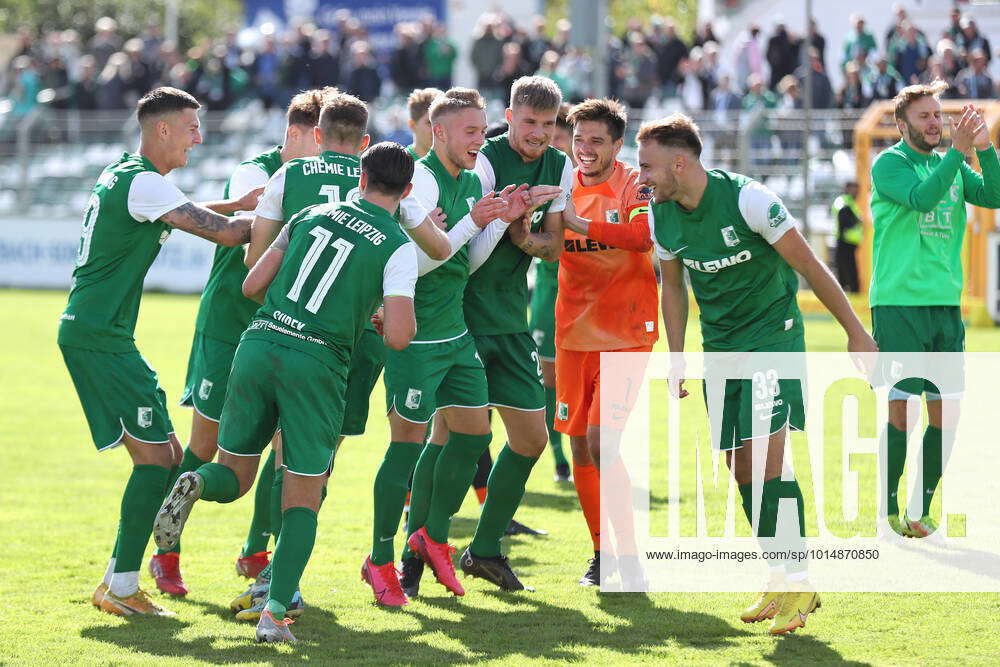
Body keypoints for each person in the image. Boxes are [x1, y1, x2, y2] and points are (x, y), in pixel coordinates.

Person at [154, 142, 420, 643]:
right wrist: (373, 311)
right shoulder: (398, 245)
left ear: (361, 178)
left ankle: (195, 482)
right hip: (317, 363)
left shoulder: (309, 213)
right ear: (406, 192)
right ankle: (275, 616)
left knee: (232, 476)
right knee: (303, 497)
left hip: (259, 344)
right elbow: (400, 337)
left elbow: (252, 285)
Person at [639, 112, 877, 634]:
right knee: (739, 466)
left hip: (774, 337)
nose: (642, 177)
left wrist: (856, 333)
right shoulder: (660, 215)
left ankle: (800, 580)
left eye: (649, 167)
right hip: (720, 350)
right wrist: (677, 354)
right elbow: (673, 288)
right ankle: (779, 573)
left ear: (681, 163)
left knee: (768, 462)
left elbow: (812, 267)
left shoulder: (750, 199)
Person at [229, 92, 452, 620]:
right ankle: (278, 591)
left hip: (265, 337)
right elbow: (436, 260)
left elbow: (252, 276)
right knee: (312, 471)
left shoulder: (300, 196)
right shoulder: (399, 234)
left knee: (260, 462)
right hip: (334, 357)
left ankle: (259, 558)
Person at [59, 87, 261, 616]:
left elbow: (188, 212)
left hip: (100, 333)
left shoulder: (127, 175)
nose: (200, 136)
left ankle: (123, 581)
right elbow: (227, 235)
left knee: (166, 457)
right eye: (192, 126)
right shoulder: (145, 183)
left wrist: (237, 205)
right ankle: (120, 587)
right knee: (156, 461)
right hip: (99, 337)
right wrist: (305, 223)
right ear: (163, 129)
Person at [151, 88, 335, 599]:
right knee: (208, 446)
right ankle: (166, 551)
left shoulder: (324, 181)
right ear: (297, 135)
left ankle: (258, 552)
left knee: (286, 449)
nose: (327, 159)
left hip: (286, 331)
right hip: (230, 325)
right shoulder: (257, 174)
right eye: (319, 143)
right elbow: (252, 237)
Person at [370, 88, 552, 604]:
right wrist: (476, 220)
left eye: (483, 129)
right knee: (407, 449)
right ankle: (384, 557)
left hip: (454, 330)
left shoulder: (472, 180)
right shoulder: (420, 182)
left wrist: (501, 216)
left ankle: (432, 537)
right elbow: (410, 264)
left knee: (471, 437)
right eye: (471, 131)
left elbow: (461, 262)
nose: (481, 139)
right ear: (440, 132)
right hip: (415, 332)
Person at [420, 76, 571, 594]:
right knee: (450, 439)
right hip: (461, 316)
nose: (537, 134)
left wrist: (523, 231)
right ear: (510, 116)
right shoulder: (483, 161)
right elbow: (461, 243)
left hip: (510, 321)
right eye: (528, 122)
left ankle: (482, 550)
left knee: (530, 438)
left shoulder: (559, 165)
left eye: (548, 125)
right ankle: (419, 549)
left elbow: (552, 248)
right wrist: (509, 214)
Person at [870, 85, 1000, 538]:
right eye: (923, 116)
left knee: (947, 413)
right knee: (902, 411)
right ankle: (886, 509)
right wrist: (958, 155)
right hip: (899, 304)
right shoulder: (889, 164)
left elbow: (996, 195)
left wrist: (983, 147)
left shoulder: (956, 165)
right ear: (902, 125)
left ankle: (919, 510)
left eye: (937, 115)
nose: (933, 123)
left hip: (946, 306)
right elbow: (924, 198)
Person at [558, 98, 658, 586]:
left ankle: (631, 556)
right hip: (572, 333)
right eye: (579, 140)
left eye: (597, 141)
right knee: (579, 446)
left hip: (626, 331)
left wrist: (580, 226)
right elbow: (543, 244)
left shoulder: (632, 184)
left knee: (603, 441)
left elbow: (642, 237)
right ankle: (603, 553)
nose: (585, 150)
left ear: (617, 144)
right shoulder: (560, 184)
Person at [529, 102, 574, 483]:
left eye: (561, 137)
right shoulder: (542, 178)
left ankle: (584, 452)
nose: (554, 144)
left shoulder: (589, 182)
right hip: (549, 291)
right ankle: (558, 456)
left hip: (588, 296)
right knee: (549, 378)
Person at [831, 181, 862, 293]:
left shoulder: (850, 202)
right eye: (854, 189)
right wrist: (856, 220)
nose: (857, 192)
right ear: (847, 189)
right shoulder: (844, 201)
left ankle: (848, 291)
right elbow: (844, 219)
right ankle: (849, 292)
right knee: (847, 270)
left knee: (846, 269)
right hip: (844, 241)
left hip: (849, 242)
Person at [405, 87, 443, 160]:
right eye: (430, 123)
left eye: (442, 122)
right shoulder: (400, 166)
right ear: (412, 125)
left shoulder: (459, 165)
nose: (438, 129)